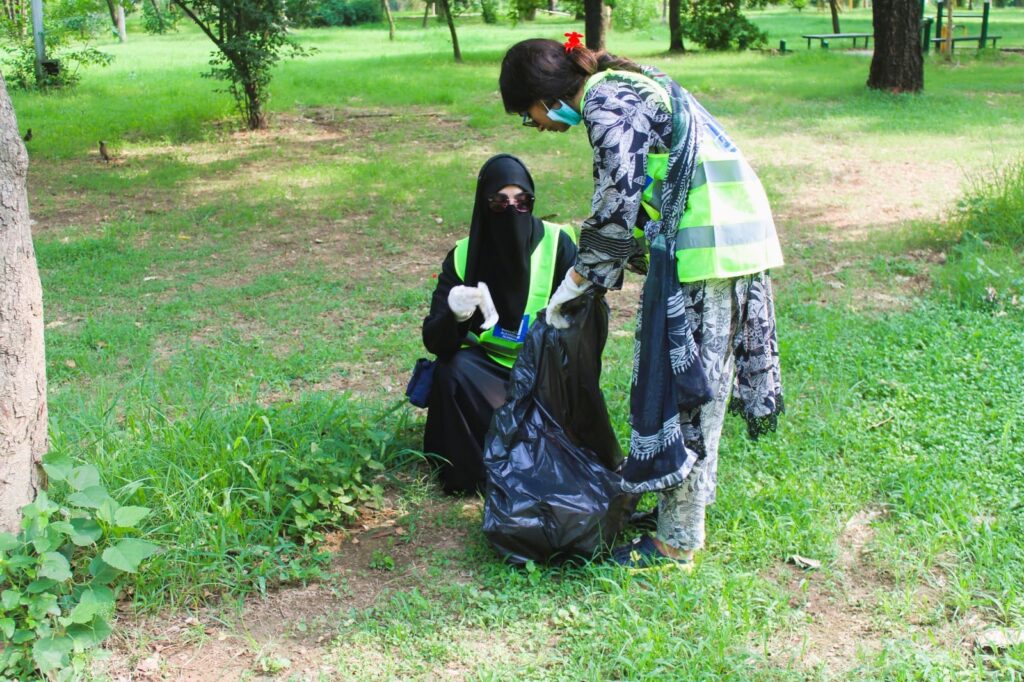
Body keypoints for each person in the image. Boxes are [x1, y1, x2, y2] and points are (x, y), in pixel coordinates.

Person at [499, 35, 784, 567]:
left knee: (689, 392)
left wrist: (579, 283)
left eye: (528, 114)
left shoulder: (606, 101)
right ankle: (684, 504)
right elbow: (634, 198)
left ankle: (677, 541)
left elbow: (616, 204)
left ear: (546, 95)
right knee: (693, 387)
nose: (535, 125)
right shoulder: (622, 86)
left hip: (712, 250)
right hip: (723, 242)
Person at [422, 154, 578, 495]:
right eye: (499, 203)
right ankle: (472, 473)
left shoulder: (558, 244)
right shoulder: (463, 255)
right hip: (488, 372)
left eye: (522, 203)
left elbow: (585, 327)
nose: (511, 211)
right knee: (452, 370)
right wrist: (456, 317)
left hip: (542, 369)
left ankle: (533, 450)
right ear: (483, 205)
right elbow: (435, 341)